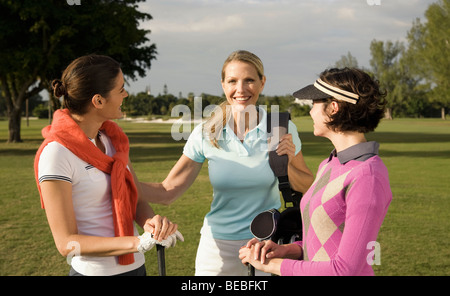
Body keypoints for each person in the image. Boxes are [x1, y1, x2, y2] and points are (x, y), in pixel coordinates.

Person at [139, 50, 314, 275]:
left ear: (262, 82)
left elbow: (307, 186)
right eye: (232, 81)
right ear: (223, 85)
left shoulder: (281, 128)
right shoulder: (206, 132)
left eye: (249, 80)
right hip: (216, 248)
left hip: (264, 246)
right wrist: (119, 182)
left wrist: (288, 162)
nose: (240, 89)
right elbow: (168, 190)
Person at [34, 55, 182, 276]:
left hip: (136, 268)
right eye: (121, 89)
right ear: (98, 101)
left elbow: (137, 198)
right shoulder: (57, 153)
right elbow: (65, 243)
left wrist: (152, 225)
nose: (126, 94)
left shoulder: (114, 140)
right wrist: (136, 243)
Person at [239, 67, 392, 276]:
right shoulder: (330, 163)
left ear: (333, 108)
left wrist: (271, 266)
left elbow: (344, 270)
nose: (310, 111)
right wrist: (286, 250)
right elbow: (323, 238)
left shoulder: (367, 176)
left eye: (314, 104)